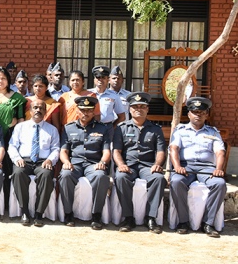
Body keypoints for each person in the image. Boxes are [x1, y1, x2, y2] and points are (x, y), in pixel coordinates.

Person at [169, 97, 226, 237]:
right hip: (185, 166)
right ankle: (183, 221)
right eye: (195, 112)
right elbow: (174, 149)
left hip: (207, 168)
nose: (198, 115)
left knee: (219, 184)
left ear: (206, 115)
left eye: (202, 112)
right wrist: (177, 166)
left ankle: (208, 223)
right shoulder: (180, 130)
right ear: (189, 114)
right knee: (176, 181)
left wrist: (218, 169)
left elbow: (220, 152)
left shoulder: (213, 132)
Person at [112, 92, 167, 233]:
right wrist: (121, 165)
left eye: (142, 106)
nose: (139, 109)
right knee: (121, 177)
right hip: (128, 165)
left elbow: (161, 151)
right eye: (135, 107)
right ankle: (128, 218)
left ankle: (151, 218)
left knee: (159, 178)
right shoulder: (121, 128)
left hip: (147, 166)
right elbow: (116, 151)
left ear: (147, 109)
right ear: (130, 109)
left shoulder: (156, 129)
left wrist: (157, 164)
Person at [59, 96, 112, 229]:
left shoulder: (103, 128)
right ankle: (68, 213)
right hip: (75, 164)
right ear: (77, 111)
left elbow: (106, 151)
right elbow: (63, 151)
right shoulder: (68, 128)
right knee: (65, 175)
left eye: (89, 110)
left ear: (94, 111)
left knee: (101, 176)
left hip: (93, 164)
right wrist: (66, 162)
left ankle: (96, 215)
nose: (85, 113)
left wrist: (102, 162)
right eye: (82, 110)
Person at [8, 99, 60, 227]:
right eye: (35, 108)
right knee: (18, 173)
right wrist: (17, 159)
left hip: (43, 162)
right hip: (24, 160)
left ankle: (39, 213)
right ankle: (24, 211)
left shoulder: (52, 129)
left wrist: (50, 160)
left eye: (41, 108)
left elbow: (56, 149)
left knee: (46, 175)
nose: (38, 110)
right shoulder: (20, 127)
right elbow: (12, 146)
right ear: (30, 111)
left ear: (45, 111)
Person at [0, 66, 27, 211]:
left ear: (8, 80)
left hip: (11, 137)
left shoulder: (17, 98)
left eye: (3, 78)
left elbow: (21, 120)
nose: (0, 81)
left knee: (9, 169)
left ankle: (9, 204)